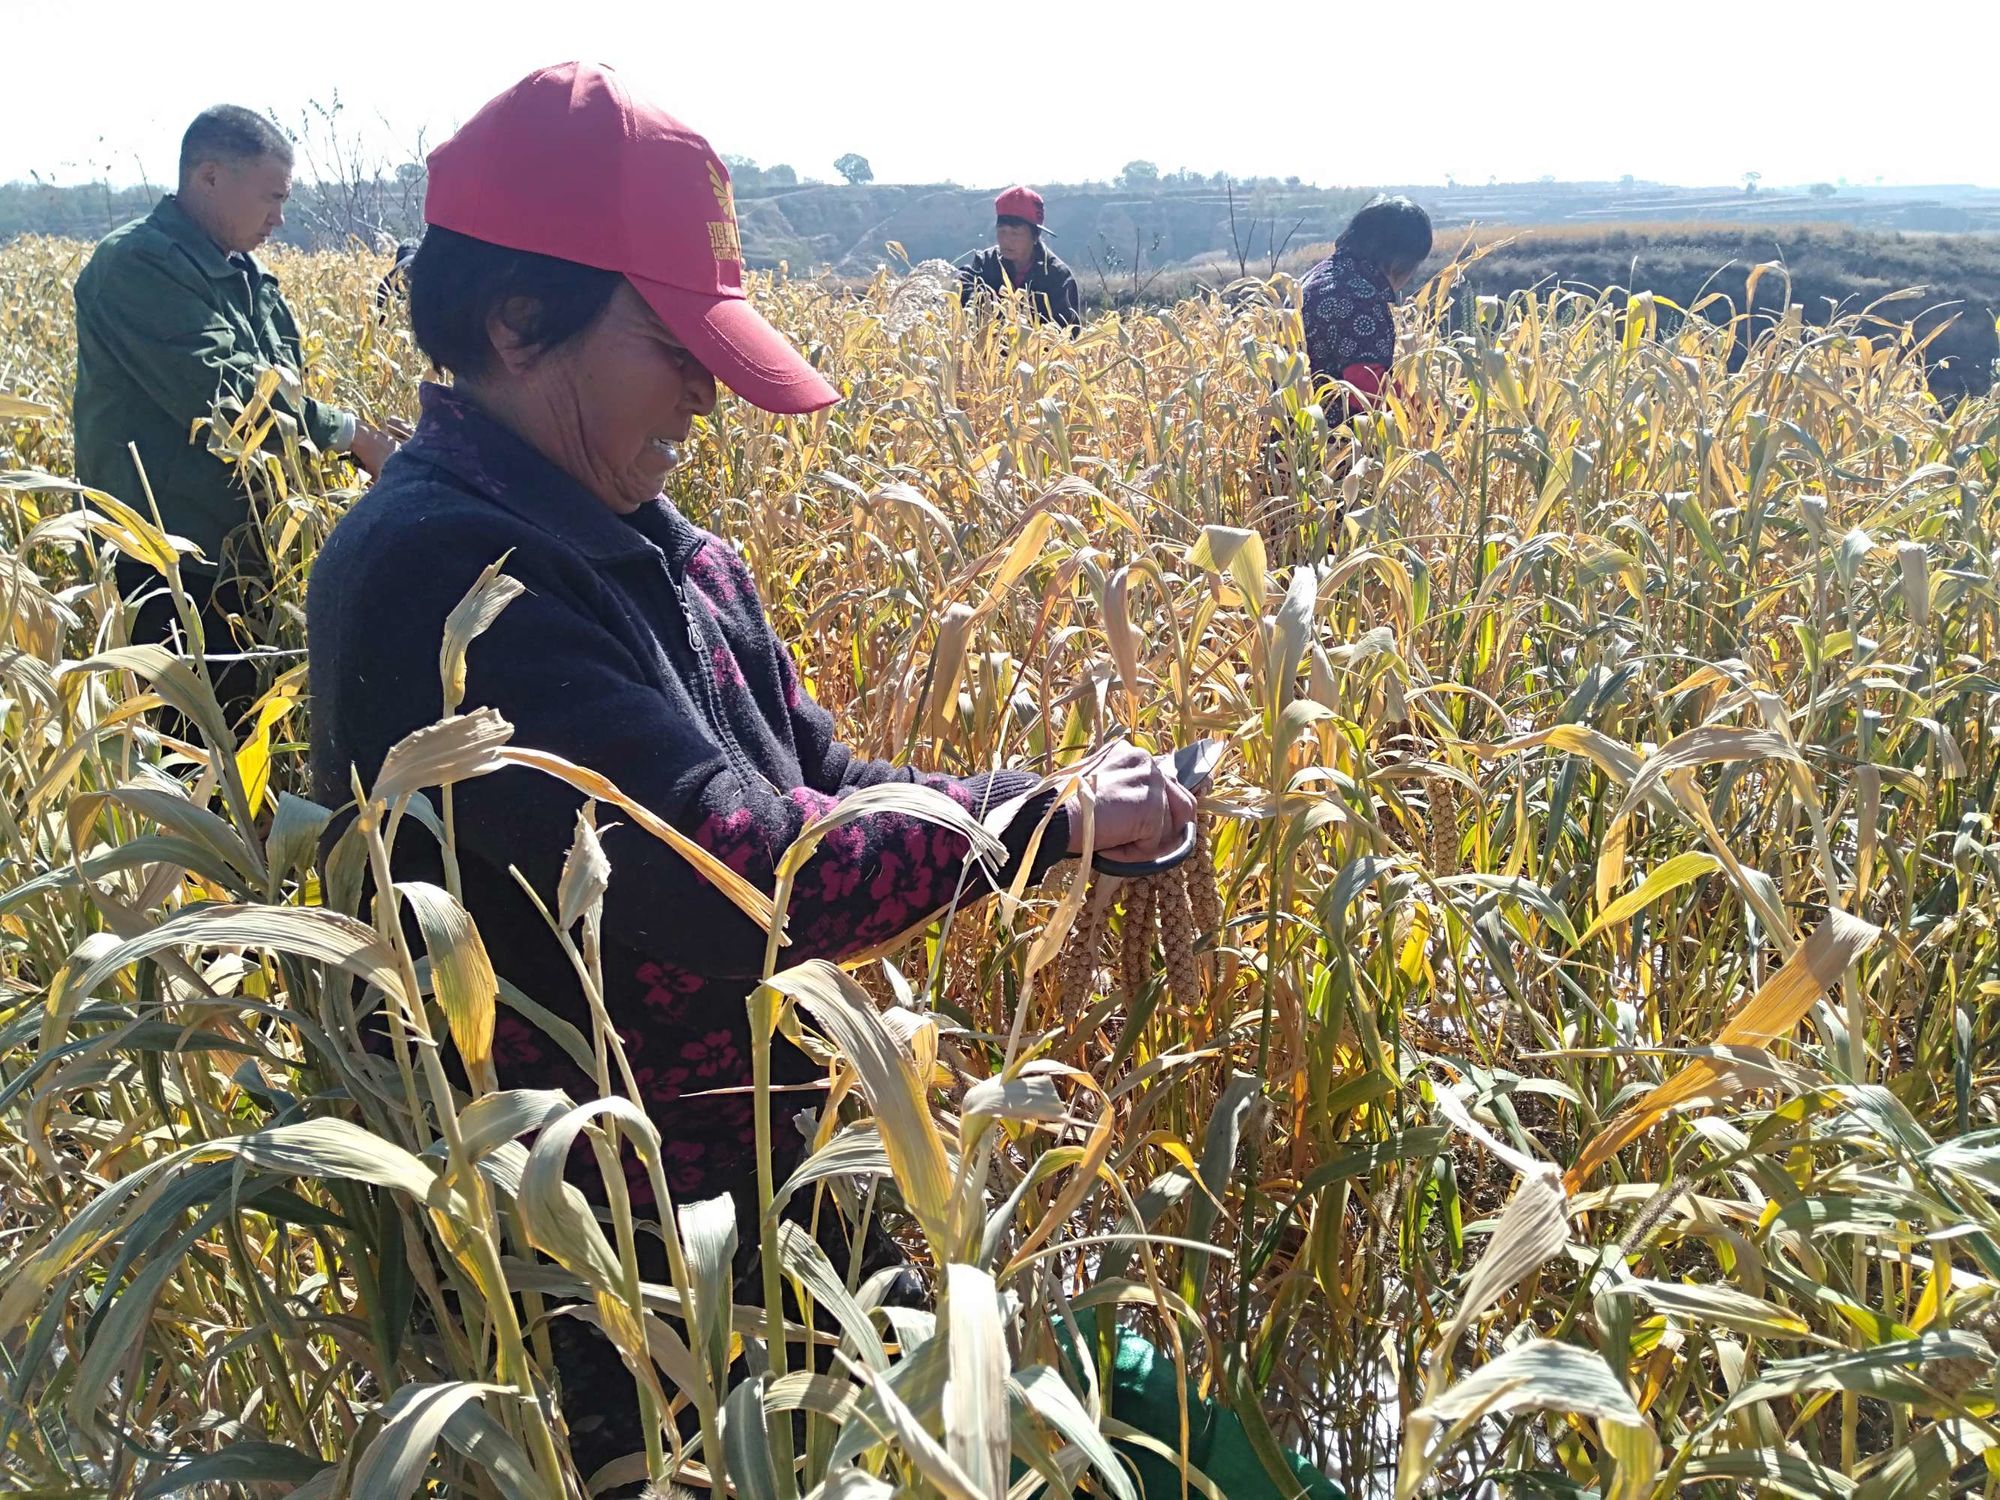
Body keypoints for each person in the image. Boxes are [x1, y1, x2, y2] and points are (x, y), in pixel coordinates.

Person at [305, 63, 1194, 1489]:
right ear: (518, 322)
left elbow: (821, 774)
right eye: (677, 352)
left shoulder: (645, 534)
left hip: (775, 1195)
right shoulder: (443, 575)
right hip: (630, 1272)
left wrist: (1056, 807)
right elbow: (745, 870)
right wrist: (1049, 817)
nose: (708, 405)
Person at [73, 105, 399, 727]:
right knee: (192, 752)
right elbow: (228, 395)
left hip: (245, 559)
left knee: (252, 731)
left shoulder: (246, 276)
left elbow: (284, 403)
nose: (279, 217)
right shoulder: (138, 266)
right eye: (271, 197)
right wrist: (353, 436)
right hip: (171, 563)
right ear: (211, 178)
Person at [1299, 195, 1433, 421]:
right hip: (1334, 447)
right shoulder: (1360, 298)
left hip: (1292, 440)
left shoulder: (1318, 277)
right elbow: (1366, 386)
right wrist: (1436, 412)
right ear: (1400, 260)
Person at [957, 185, 1082, 330]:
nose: (1006, 240)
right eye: (1002, 231)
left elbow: (1068, 332)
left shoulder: (1057, 276)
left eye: (1015, 233)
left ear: (1035, 236)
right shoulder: (986, 262)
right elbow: (963, 283)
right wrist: (981, 303)